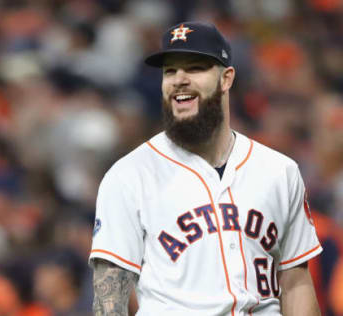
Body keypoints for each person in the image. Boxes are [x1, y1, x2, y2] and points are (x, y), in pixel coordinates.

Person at [89, 21, 322, 315]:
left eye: (195, 68)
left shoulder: (279, 170)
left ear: (226, 79)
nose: (179, 79)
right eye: (170, 71)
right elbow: (109, 300)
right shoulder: (129, 176)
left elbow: (296, 281)